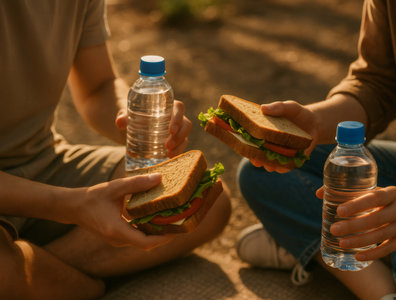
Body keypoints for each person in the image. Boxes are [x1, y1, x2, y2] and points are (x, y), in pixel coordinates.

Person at [0, 1, 231, 299]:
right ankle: (61, 282)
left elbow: (98, 86)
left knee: (204, 201)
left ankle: (40, 271)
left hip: (43, 161)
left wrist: (133, 120)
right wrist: (71, 205)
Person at [236, 0, 396, 299]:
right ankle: (391, 279)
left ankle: (313, 243)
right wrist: (314, 122)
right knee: (263, 173)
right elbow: (377, 82)